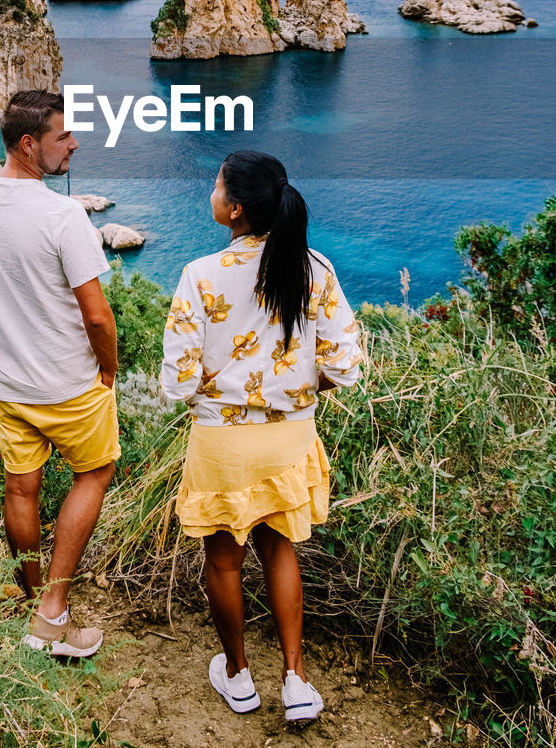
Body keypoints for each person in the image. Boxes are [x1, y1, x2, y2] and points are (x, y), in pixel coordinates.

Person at [160, 150, 361, 723]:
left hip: (222, 443)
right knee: (280, 550)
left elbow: (176, 381)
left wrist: (214, 386)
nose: (211, 194)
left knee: (223, 562)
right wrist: (298, 386)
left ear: (236, 209)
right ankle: (296, 680)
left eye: (216, 186)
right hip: (288, 439)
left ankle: (238, 677)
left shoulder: (200, 275)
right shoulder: (314, 268)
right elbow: (345, 363)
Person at [0, 89, 120, 659]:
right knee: (95, 473)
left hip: (6, 383)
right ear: (29, 144)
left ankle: (31, 601)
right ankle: (52, 613)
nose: (74, 144)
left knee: (21, 486)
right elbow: (97, 314)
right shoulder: (62, 214)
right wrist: (110, 369)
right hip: (69, 382)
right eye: (62, 137)